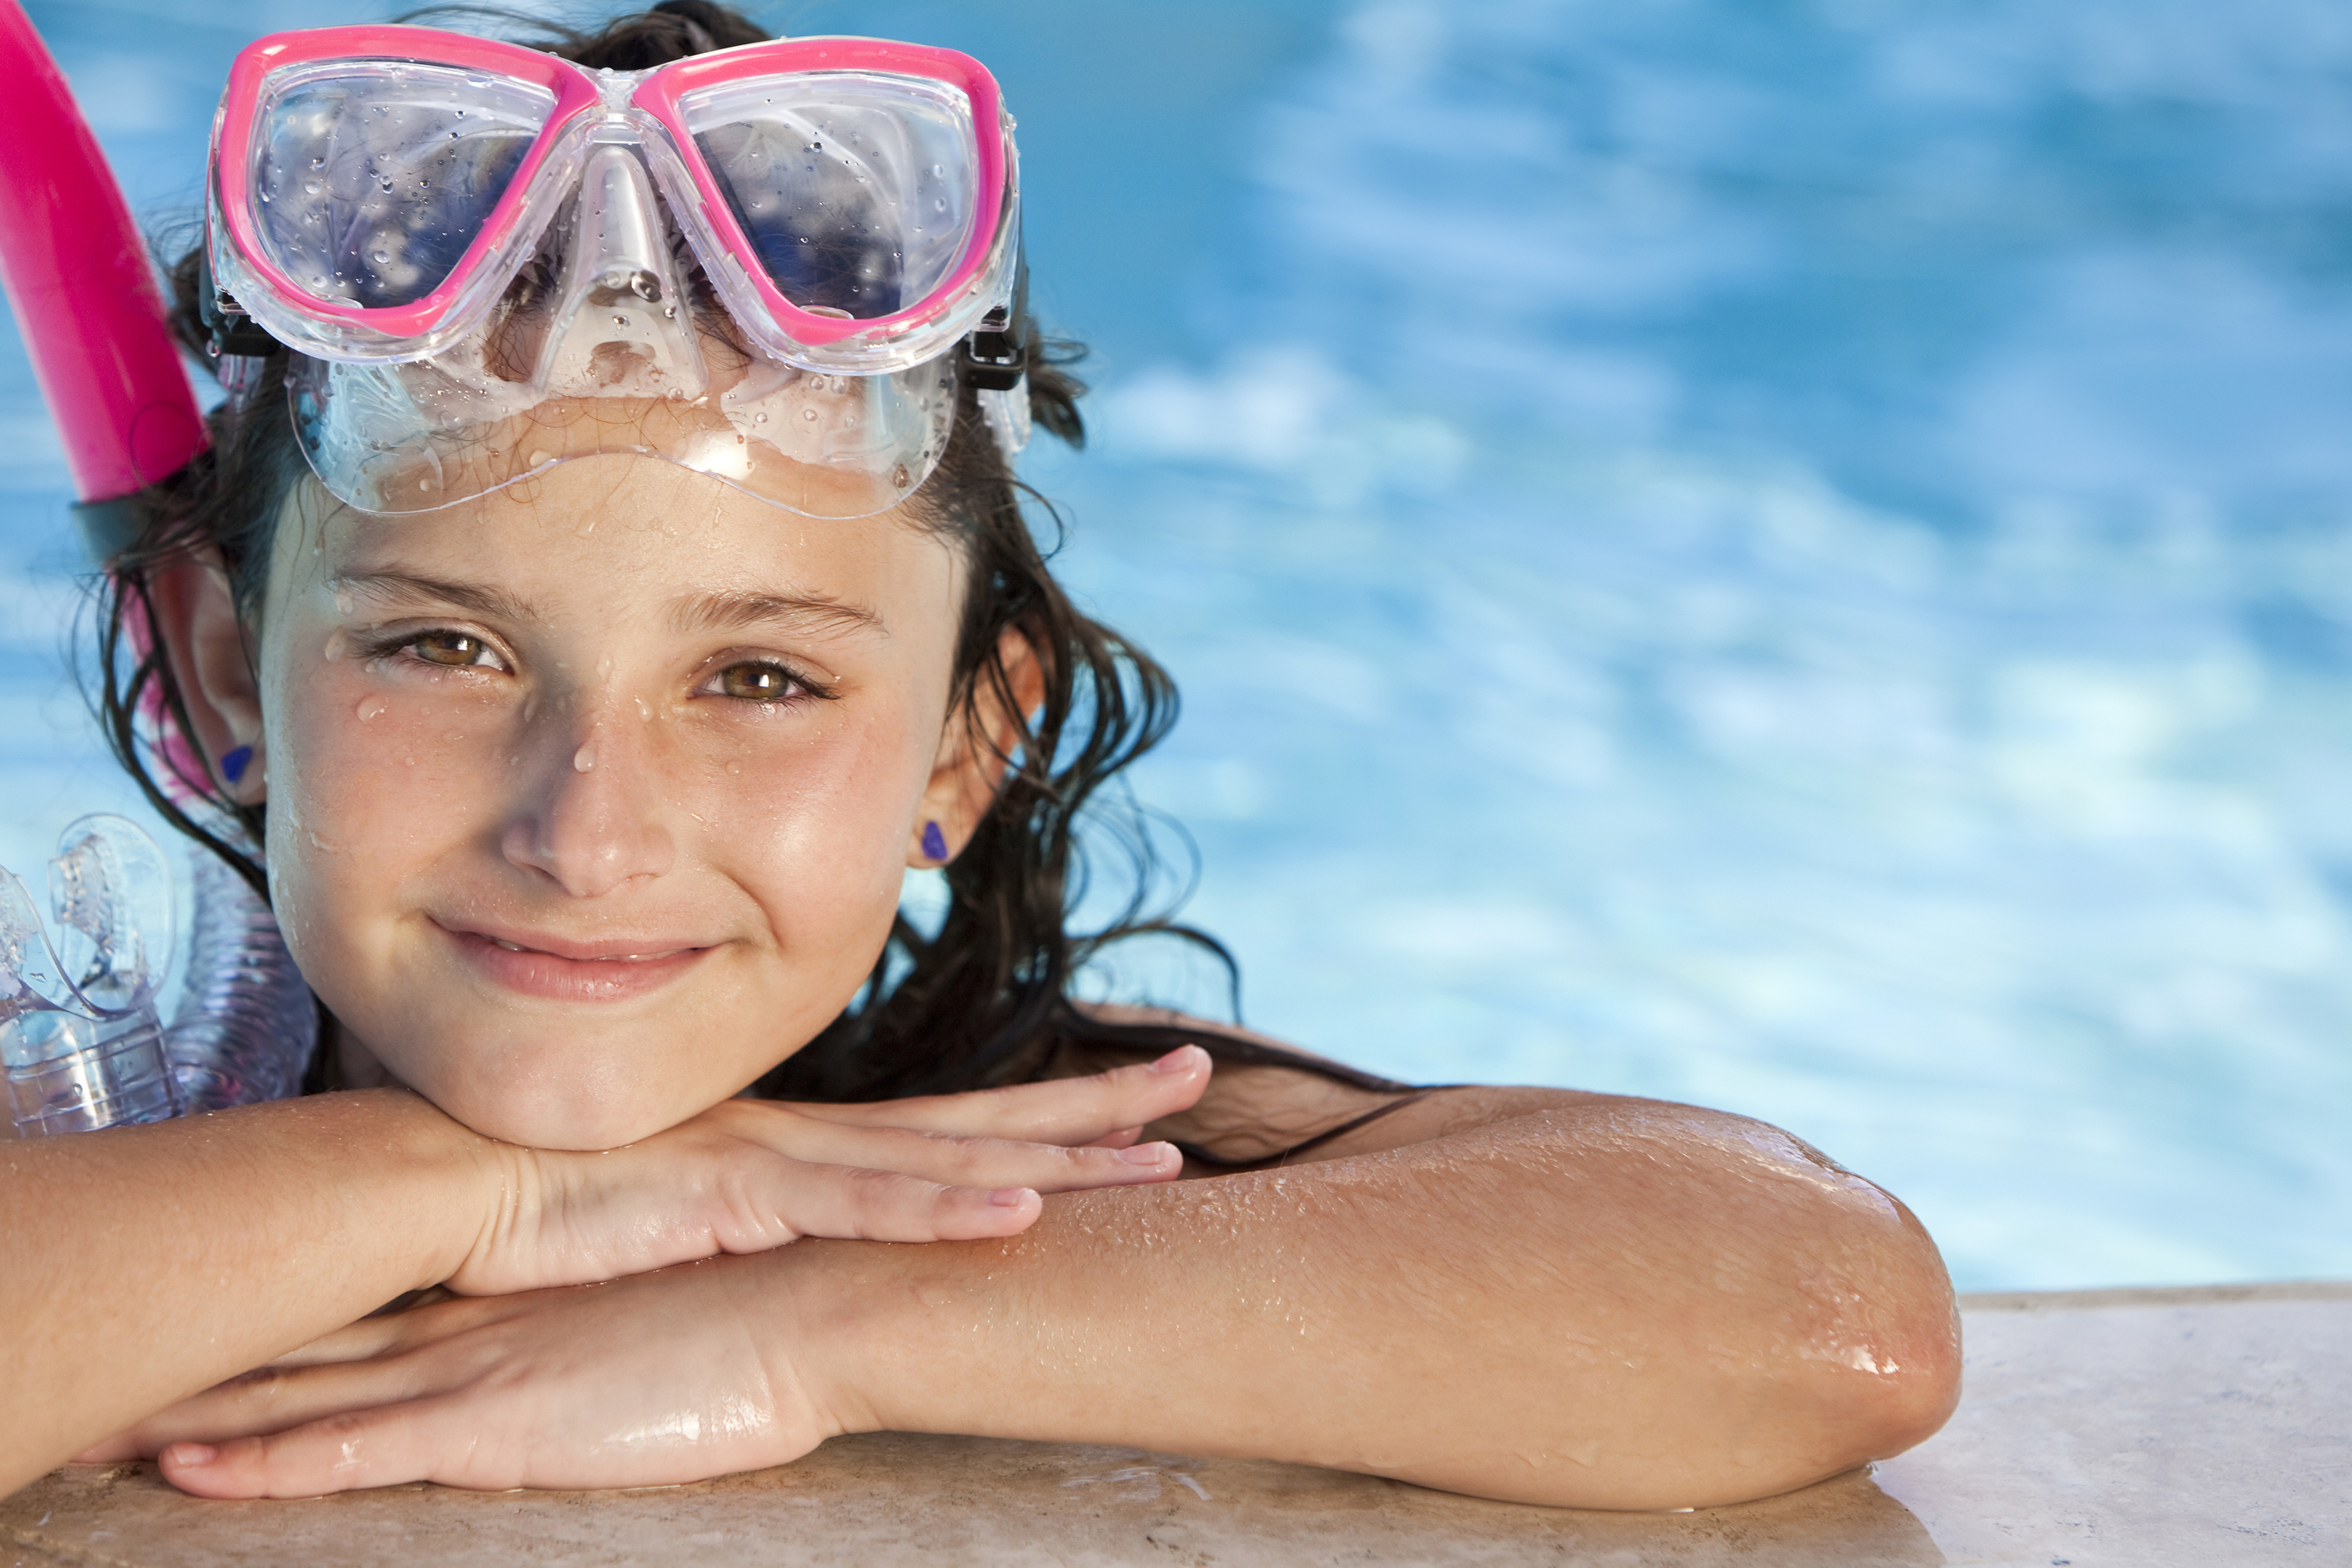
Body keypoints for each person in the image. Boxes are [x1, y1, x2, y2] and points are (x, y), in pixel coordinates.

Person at [0, 0, 1960, 1508]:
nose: (588, 830)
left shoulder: (989, 1164)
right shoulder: (98, 1071)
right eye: (444, 643)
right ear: (224, 666)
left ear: (964, 740)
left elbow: (1815, 1307)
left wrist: (818, 1320)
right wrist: (473, 1194)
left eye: (759, 678)